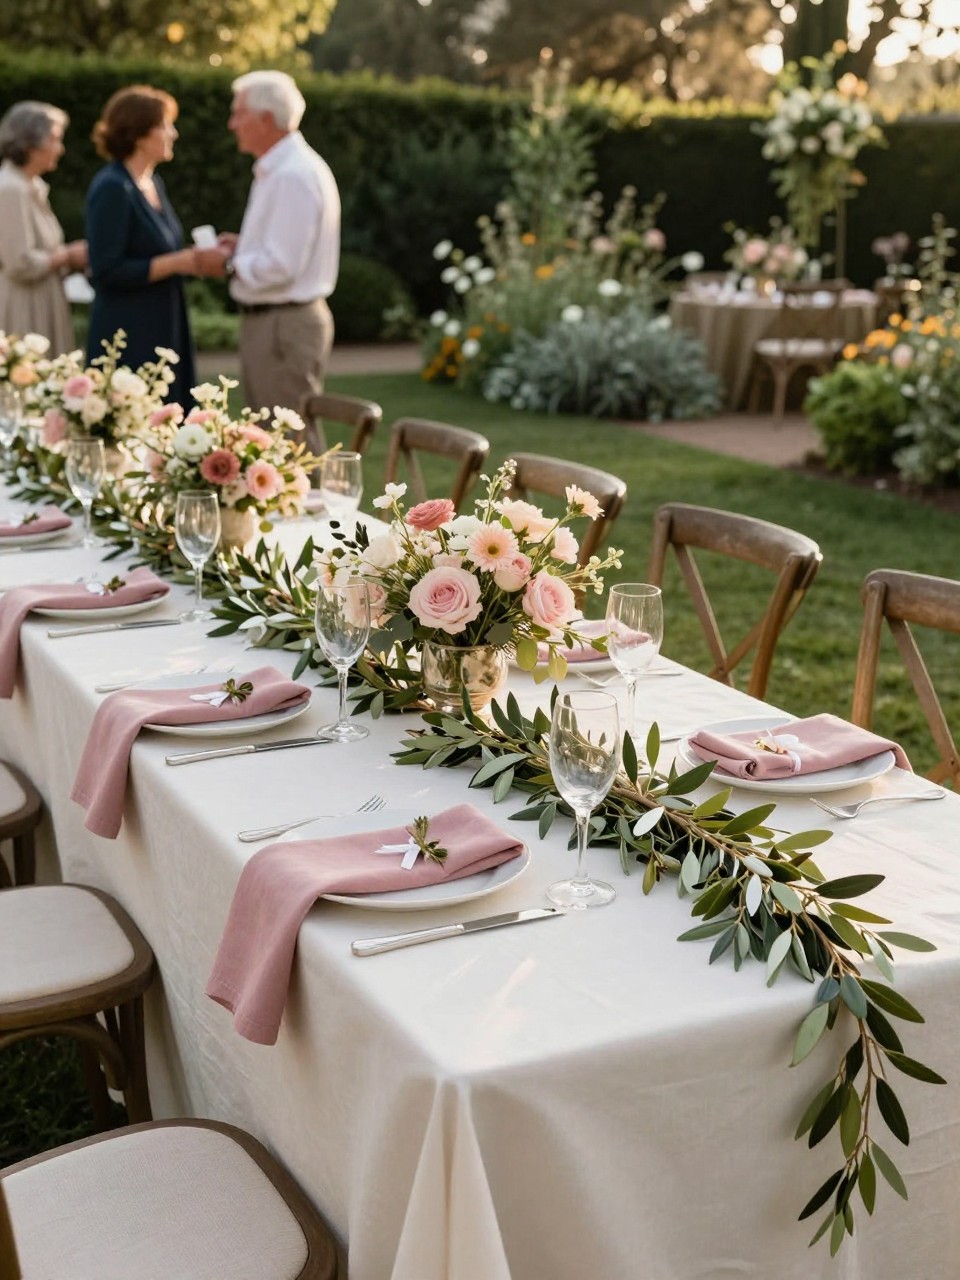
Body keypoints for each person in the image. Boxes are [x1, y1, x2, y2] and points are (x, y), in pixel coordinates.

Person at [196, 70, 340, 452]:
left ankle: (310, 514)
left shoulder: (291, 175)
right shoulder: (281, 169)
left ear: (265, 119)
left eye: (237, 113)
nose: (231, 124)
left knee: (289, 445)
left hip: (284, 325)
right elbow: (286, 249)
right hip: (276, 322)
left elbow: (282, 267)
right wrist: (243, 247)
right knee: (269, 443)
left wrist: (225, 265)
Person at [85, 85, 198, 405]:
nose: (173, 134)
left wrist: (192, 258)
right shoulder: (112, 188)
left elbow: (158, 249)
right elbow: (106, 269)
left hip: (164, 321)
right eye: (165, 126)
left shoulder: (152, 183)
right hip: (128, 332)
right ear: (138, 135)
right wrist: (178, 262)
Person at [0, 101, 87, 355]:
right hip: (22, 308)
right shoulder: (11, 189)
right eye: (55, 140)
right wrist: (67, 256)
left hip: (41, 300)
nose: (60, 149)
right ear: (31, 143)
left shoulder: (31, 185)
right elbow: (19, 262)